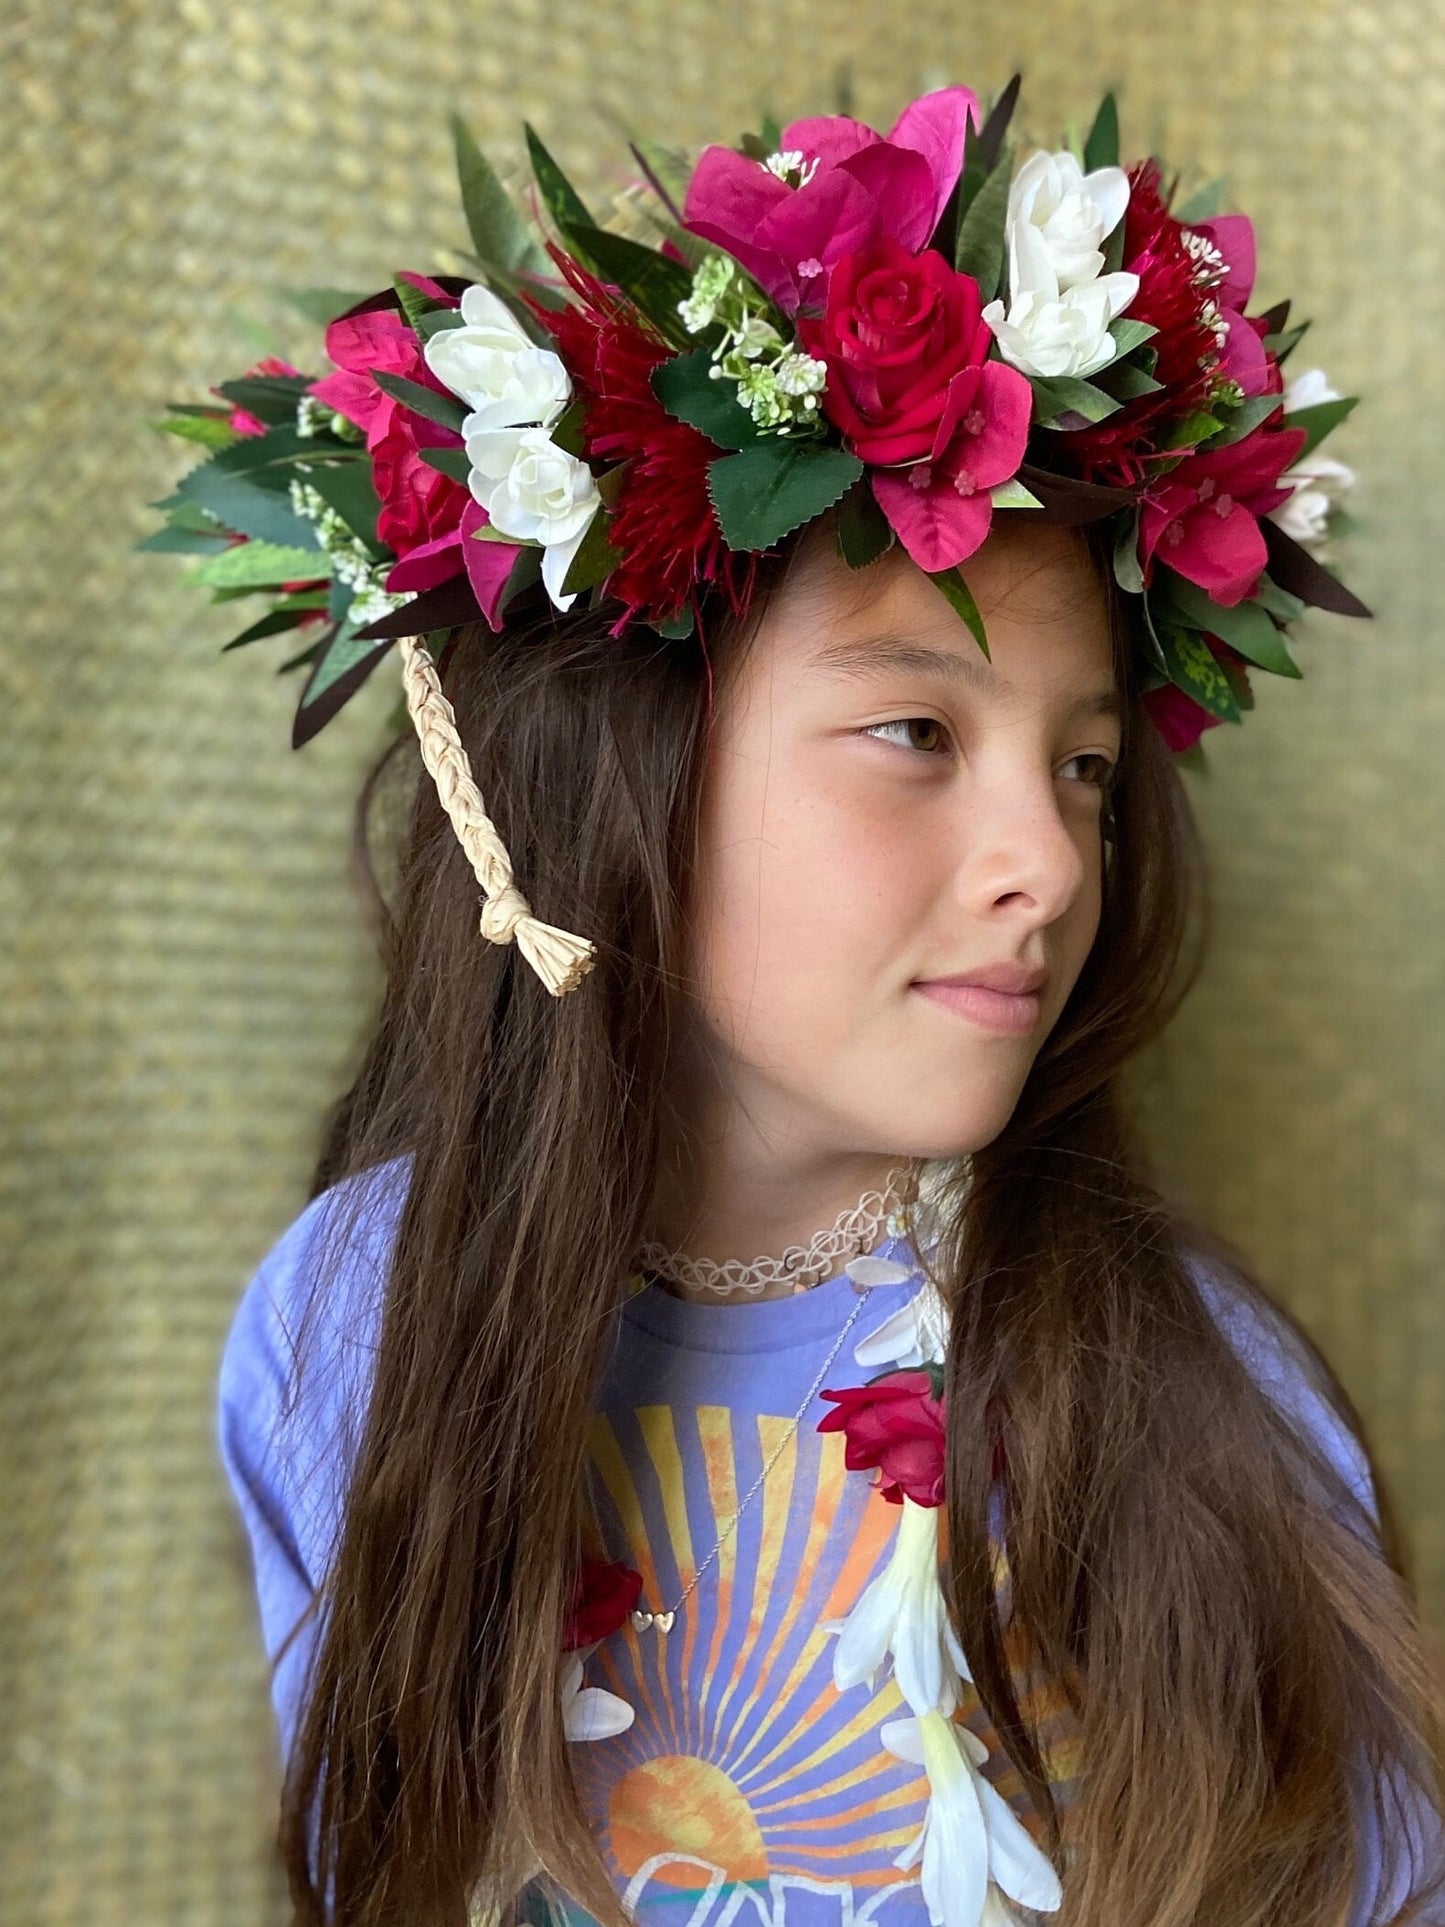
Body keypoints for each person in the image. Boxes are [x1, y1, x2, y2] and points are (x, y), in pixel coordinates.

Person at [163, 78, 1445, 1927]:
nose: (1050, 862)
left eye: (1084, 768)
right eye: (915, 733)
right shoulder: (353, 1325)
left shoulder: (1186, 1396)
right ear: (605, 787)